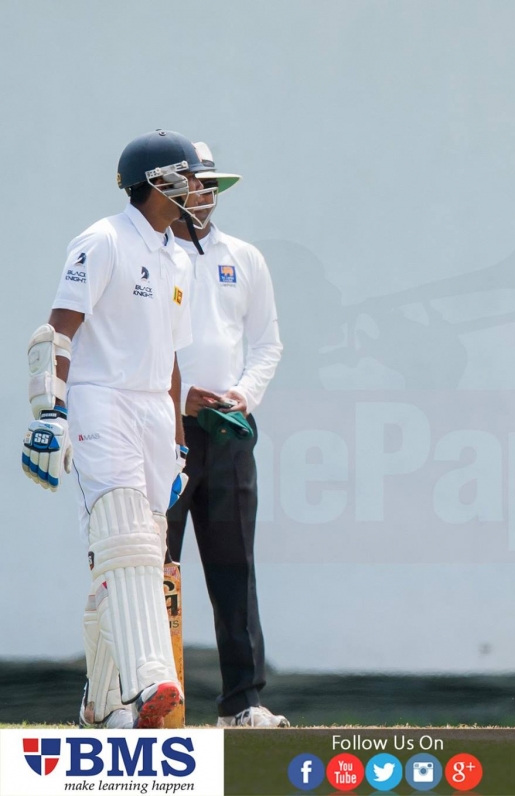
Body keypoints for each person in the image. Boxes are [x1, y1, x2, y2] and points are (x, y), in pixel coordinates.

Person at [22, 129, 206, 728]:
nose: (200, 191)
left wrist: (178, 444)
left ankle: (101, 705)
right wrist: (51, 415)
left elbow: (171, 357)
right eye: (192, 178)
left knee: (135, 555)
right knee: (125, 539)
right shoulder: (102, 240)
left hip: (155, 413)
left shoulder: (178, 258)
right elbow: (57, 331)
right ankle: (151, 679)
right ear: (160, 182)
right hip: (101, 401)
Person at [166, 142, 287, 727]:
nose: (205, 195)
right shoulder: (152, 257)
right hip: (164, 429)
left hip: (230, 430)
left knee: (234, 566)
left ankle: (243, 703)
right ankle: (142, 700)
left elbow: (267, 343)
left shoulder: (245, 257)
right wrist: (178, 396)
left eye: (211, 185)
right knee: (152, 568)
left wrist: (242, 394)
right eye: (195, 184)